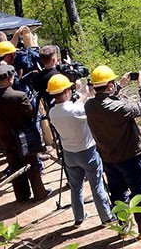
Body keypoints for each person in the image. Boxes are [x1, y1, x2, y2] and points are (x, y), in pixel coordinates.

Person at [84, 65, 141, 236]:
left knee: (117, 193)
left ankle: (123, 227)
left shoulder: (89, 105)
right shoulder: (120, 108)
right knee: (139, 192)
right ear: (109, 86)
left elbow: (106, 98)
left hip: (108, 157)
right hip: (129, 157)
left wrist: (118, 85)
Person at [47, 74, 113, 226]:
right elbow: (83, 110)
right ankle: (106, 217)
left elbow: (73, 107)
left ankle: (79, 217)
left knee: (76, 187)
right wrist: (89, 94)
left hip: (69, 154)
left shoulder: (52, 112)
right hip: (87, 152)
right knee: (96, 186)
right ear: (66, 91)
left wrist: (85, 94)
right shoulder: (76, 111)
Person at [0, 65, 49, 201]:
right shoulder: (19, 96)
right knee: (32, 165)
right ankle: (39, 193)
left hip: (5, 138)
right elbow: (31, 114)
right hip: (24, 137)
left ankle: (22, 196)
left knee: (15, 166)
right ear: (10, 78)